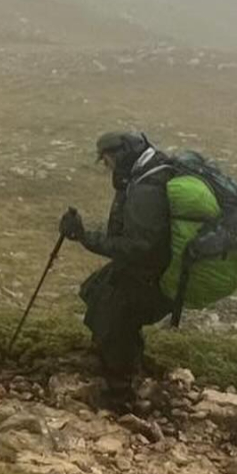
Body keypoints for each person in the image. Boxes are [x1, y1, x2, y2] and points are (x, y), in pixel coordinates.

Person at [60, 132, 174, 412]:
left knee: (115, 317)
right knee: (95, 291)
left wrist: (86, 237)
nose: (107, 166)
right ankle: (121, 363)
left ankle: (120, 394)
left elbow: (139, 246)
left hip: (151, 276)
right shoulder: (144, 175)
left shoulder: (148, 187)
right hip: (147, 269)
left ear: (121, 154)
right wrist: (89, 235)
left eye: (108, 159)